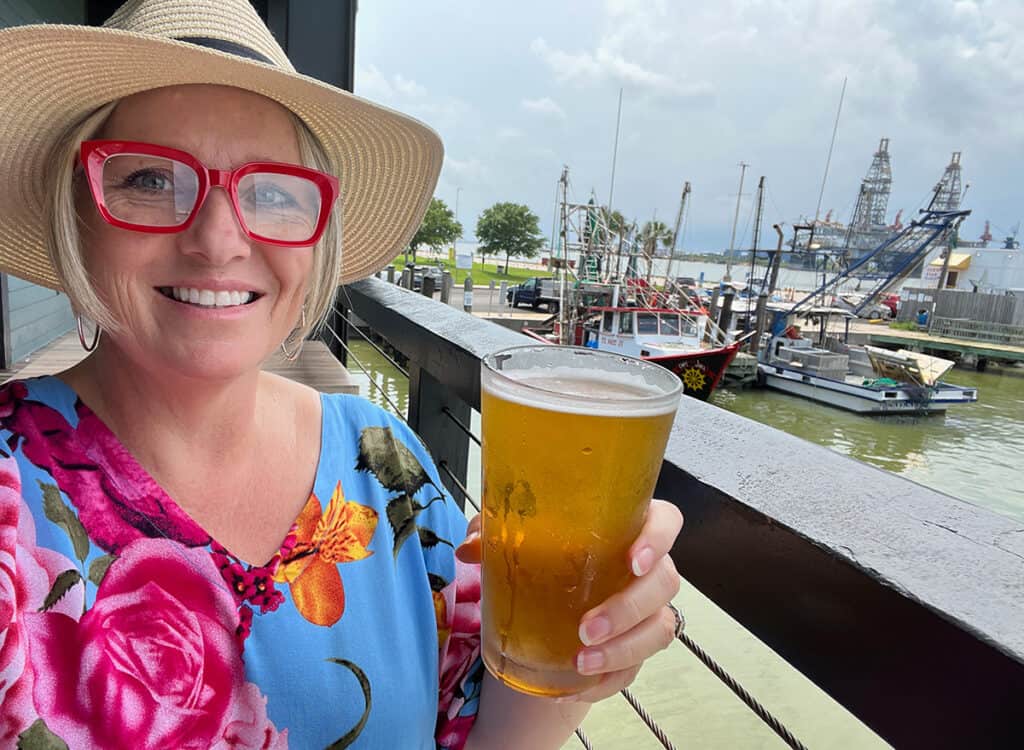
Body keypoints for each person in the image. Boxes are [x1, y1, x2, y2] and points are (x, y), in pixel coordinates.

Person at [0, 1, 684, 748]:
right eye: (150, 181)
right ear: (78, 208)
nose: (218, 240)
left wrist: (580, 648)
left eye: (271, 191)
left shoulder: (384, 465)